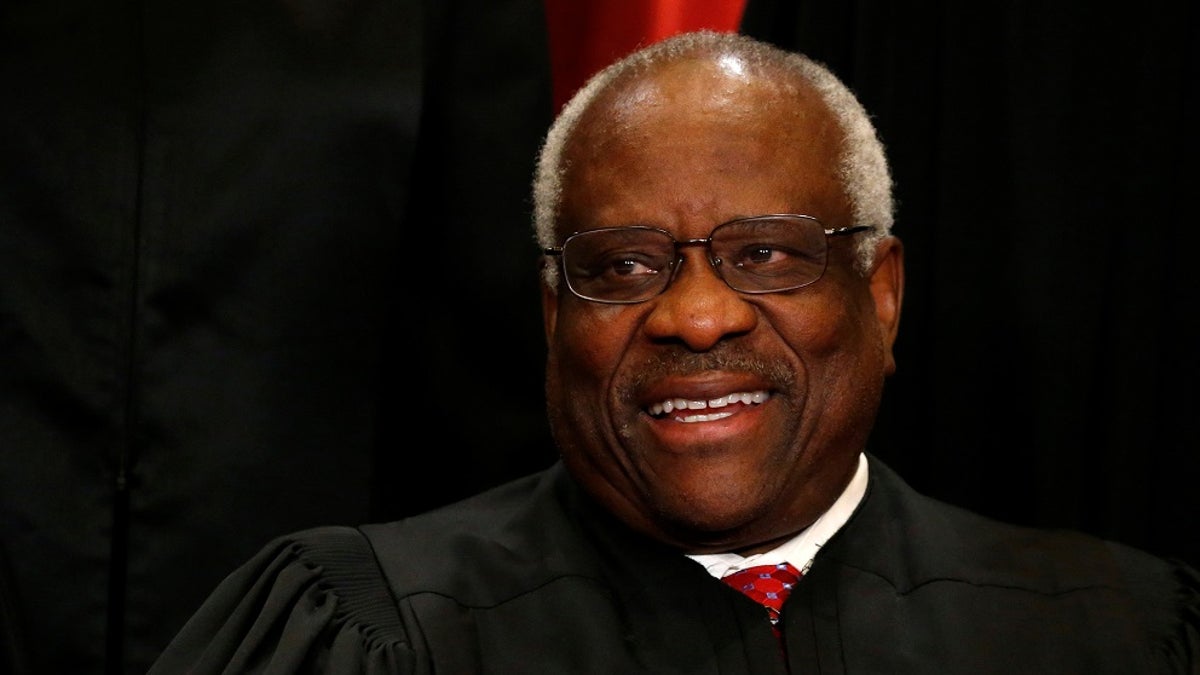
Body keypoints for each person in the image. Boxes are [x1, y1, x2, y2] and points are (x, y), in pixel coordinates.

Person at [148, 30, 1199, 674]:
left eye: (768, 253)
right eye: (622, 265)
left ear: (881, 298)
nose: (697, 317)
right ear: (554, 317)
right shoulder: (365, 636)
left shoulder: (1113, 631)